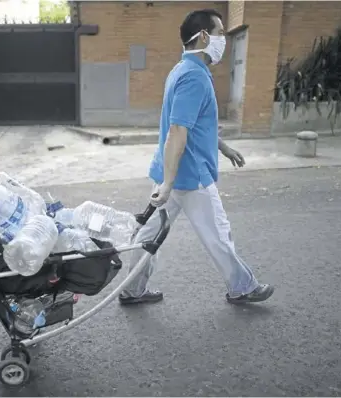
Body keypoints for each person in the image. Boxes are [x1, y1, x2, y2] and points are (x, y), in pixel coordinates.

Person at [119, 9, 274, 305]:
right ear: (203, 36)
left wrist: (223, 147)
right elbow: (178, 130)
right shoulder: (195, 78)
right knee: (218, 233)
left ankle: (132, 289)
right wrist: (168, 183)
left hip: (173, 172)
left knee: (149, 235)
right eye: (219, 34)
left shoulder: (182, 70)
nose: (223, 41)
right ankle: (242, 287)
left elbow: (195, 125)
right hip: (189, 176)